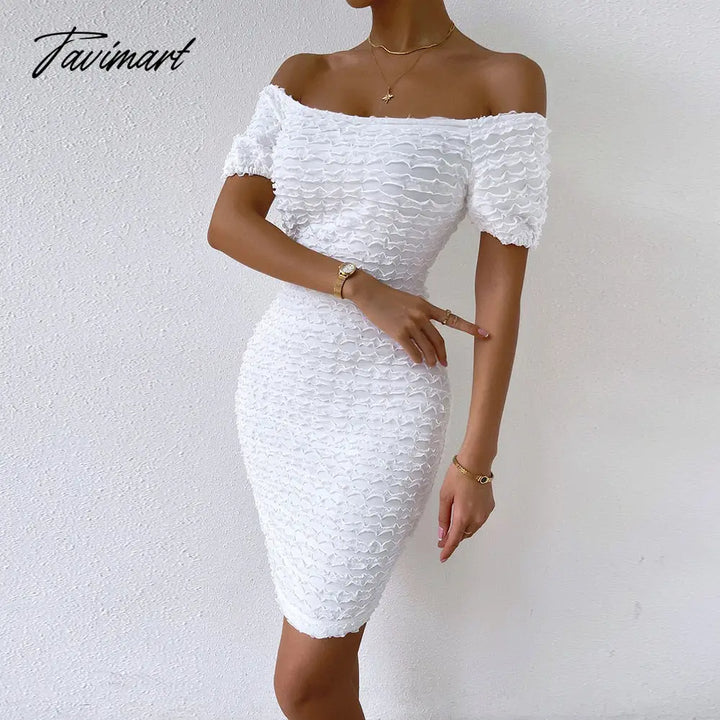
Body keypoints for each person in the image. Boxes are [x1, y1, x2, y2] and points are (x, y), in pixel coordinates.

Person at [207, 1, 550, 717]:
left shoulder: (505, 79)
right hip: (282, 385)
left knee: (303, 681)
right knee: (322, 678)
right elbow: (229, 223)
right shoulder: (304, 73)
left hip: (389, 397)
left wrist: (477, 459)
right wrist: (358, 285)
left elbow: (500, 287)